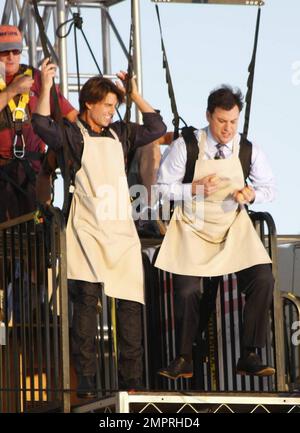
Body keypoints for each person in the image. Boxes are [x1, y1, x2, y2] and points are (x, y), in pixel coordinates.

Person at [32, 60, 167, 398]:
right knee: (86, 307)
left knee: (130, 307)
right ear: (89, 104)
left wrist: (134, 95)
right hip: (87, 232)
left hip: (120, 232)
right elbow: (40, 125)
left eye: (115, 106)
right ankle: (88, 381)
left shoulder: (120, 133)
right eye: (107, 105)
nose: (111, 112)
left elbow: (156, 125)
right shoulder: (72, 136)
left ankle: (131, 382)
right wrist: (47, 87)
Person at [155, 85, 276, 380]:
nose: (227, 128)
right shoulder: (186, 145)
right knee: (187, 291)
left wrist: (251, 194)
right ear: (209, 116)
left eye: (233, 122)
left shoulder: (247, 149)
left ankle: (249, 352)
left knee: (263, 278)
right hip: (192, 228)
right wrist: (193, 188)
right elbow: (160, 189)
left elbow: (270, 188)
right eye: (222, 121)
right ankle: (183, 357)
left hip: (232, 228)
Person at [0, 25, 77, 223]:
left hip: (33, 169)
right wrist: (11, 91)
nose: (11, 57)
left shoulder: (36, 78)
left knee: (36, 228)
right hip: (1, 168)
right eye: (4, 52)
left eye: (15, 51)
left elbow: (69, 114)